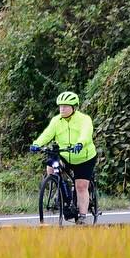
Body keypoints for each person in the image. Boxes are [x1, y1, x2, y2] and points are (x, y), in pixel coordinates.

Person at [29, 90, 97, 223]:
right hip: (65, 155)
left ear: (73, 107)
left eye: (65, 106)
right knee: (51, 165)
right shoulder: (56, 120)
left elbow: (86, 134)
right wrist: (36, 144)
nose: (62, 109)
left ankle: (82, 217)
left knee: (81, 186)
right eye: (60, 106)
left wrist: (80, 144)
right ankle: (57, 186)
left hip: (84, 157)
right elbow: (47, 134)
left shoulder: (84, 119)